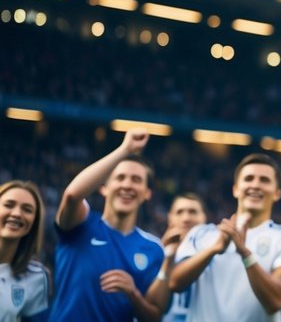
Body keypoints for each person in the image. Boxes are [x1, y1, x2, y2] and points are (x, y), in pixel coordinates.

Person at [169, 154, 281, 321]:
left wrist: (245, 254)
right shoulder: (201, 234)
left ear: (277, 193)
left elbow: (276, 300)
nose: (255, 185)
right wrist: (214, 249)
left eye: (264, 180)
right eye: (249, 178)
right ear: (236, 189)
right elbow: (175, 283)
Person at [50, 128, 167, 322]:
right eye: (120, 178)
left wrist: (133, 294)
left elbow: (154, 317)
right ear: (103, 187)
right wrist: (125, 149)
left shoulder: (154, 249)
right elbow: (72, 195)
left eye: (136, 180)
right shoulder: (81, 225)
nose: (127, 185)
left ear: (147, 193)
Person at [0, 180, 51, 321]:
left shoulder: (36, 277)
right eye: (8, 205)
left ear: (34, 222)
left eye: (27, 210)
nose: (17, 213)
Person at [155, 194, 207, 322]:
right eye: (179, 212)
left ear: (204, 217)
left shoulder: (217, 253)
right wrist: (160, 252)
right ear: (169, 218)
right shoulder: (154, 251)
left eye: (193, 212)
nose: (186, 218)